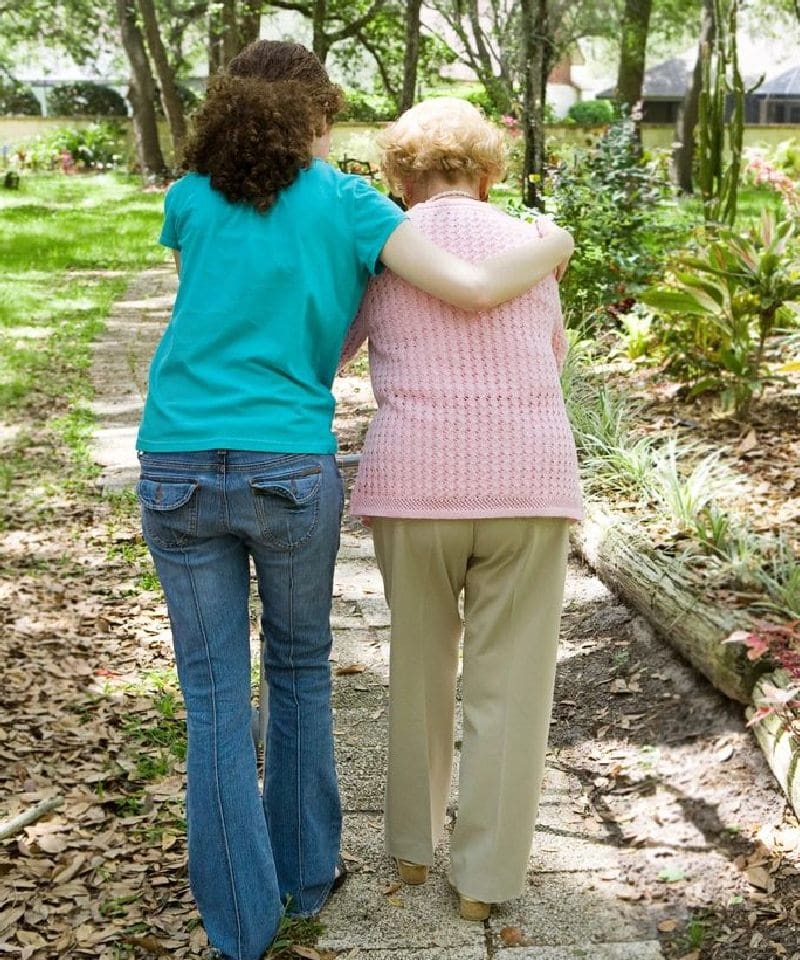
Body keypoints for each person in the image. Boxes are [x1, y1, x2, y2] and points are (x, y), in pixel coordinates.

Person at [136, 41, 573, 960]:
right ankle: (316, 879)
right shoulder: (351, 208)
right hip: (302, 465)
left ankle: (245, 924)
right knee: (300, 669)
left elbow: (227, 311)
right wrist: (555, 241)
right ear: (315, 119)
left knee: (214, 696)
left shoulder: (188, 198)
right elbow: (490, 306)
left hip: (180, 455)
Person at [339, 97, 583, 922]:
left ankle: (411, 850)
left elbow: (331, 348)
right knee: (511, 686)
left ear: (399, 177)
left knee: (418, 666)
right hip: (529, 483)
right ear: (487, 172)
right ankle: (484, 882)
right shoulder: (534, 246)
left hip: (416, 485)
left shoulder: (383, 252)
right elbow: (549, 356)